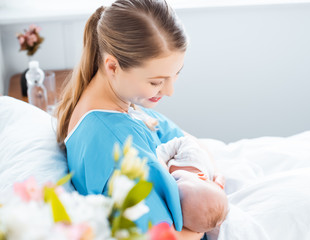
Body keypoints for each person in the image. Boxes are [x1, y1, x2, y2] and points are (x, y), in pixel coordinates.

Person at [55, 0, 224, 239]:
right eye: (156, 82)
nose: (169, 91)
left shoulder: (123, 105)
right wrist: (209, 201)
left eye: (177, 74)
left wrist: (211, 180)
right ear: (112, 66)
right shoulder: (116, 144)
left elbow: (188, 140)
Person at [156, 136, 229, 233]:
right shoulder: (192, 156)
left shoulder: (196, 195)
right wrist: (160, 157)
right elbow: (182, 141)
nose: (172, 183)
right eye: (178, 180)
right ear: (201, 176)